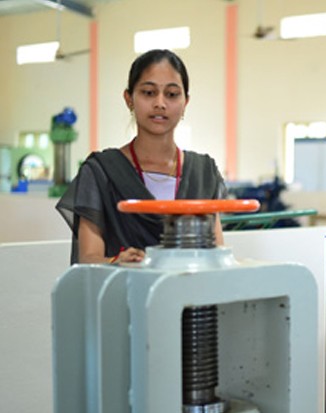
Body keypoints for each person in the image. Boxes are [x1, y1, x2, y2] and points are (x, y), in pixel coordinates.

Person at [57, 49, 227, 264]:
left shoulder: (203, 172)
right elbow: (88, 259)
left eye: (172, 94)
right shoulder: (101, 171)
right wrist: (116, 262)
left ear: (186, 102)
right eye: (148, 92)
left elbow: (218, 254)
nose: (160, 103)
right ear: (129, 99)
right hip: (126, 293)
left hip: (193, 295)